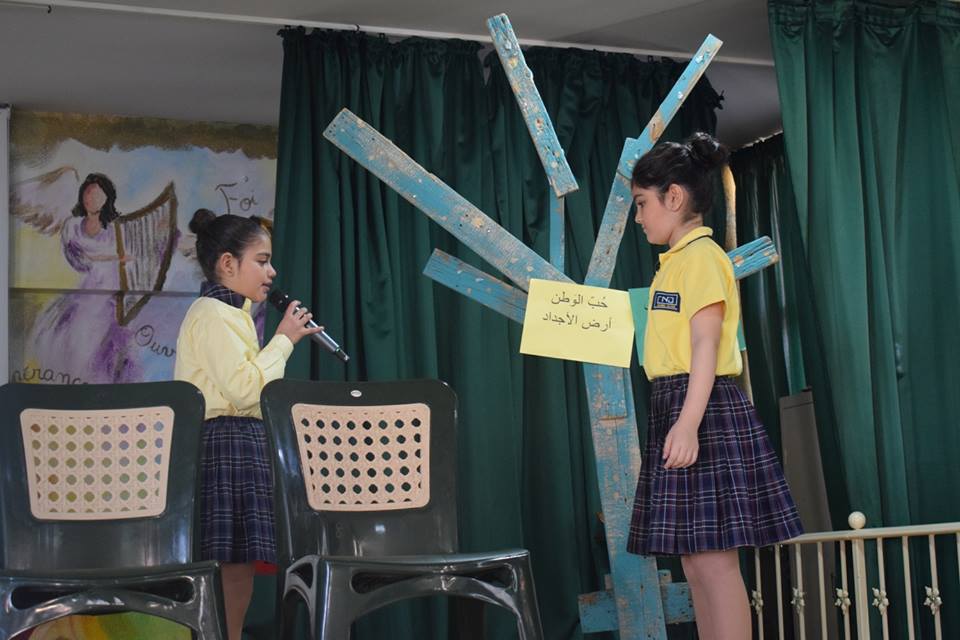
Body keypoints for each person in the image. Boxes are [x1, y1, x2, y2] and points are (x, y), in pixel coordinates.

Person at [626, 132, 803, 639]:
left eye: (641, 203)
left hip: (701, 407)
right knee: (695, 561)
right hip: (676, 403)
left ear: (673, 197)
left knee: (715, 562)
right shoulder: (674, 264)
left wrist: (688, 423)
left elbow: (705, 345)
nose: (638, 217)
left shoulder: (702, 258)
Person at [174, 209, 321, 640]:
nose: (271, 272)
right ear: (227, 263)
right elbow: (244, 390)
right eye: (262, 260)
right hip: (224, 442)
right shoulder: (212, 313)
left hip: (238, 441)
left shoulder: (231, 314)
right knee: (229, 564)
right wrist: (284, 339)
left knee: (238, 564)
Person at [29, 173, 142, 383]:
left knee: (108, 344)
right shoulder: (72, 226)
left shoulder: (116, 229)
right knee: (74, 336)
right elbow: (77, 261)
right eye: (88, 194)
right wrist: (110, 258)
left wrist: (117, 262)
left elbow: (131, 259)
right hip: (89, 290)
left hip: (112, 292)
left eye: (98, 195)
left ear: (108, 198)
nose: (92, 199)